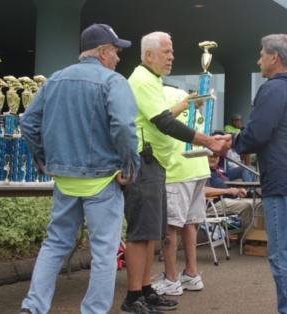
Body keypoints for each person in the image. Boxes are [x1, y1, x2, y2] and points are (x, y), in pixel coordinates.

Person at [19, 24, 140, 314]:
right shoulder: (114, 81)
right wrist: (129, 166)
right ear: (101, 52)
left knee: (55, 244)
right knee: (103, 253)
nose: (118, 58)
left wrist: (44, 159)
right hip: (103, 178)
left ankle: (33, 308)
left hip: (65, 180)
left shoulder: (54, 80)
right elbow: (123, 126)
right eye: (115, 51)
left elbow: (28, 123)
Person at [123, 31, 230, 314]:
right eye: (166, 52)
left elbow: (165, 117)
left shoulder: (152, 81)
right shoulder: (142, 81)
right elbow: (165, 123)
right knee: (140, 234)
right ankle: (133, 297)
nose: (172, 56)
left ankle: (145, 290)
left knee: (150, 233)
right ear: (148, 55)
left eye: (171, 51)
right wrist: (207, 141)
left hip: (156, 162)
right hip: (144, 163)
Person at [219, 34, 287, 314]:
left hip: (283, 182)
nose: (258, 59)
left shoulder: (274, 88)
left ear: (275, 57)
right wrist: (238, 137)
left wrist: (233, 140)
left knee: (283, 254)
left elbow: (259, 133)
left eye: (262, 54)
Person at [152, 85, 209, 297]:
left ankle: (170, 279)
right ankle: (192, 275)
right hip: (198, 165)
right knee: (189, 222)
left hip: (176, 166)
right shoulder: (185, 95)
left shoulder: (155, 95)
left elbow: (158, 124)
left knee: (170, 224)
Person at [205, 153, 261, 228]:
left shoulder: (221, 170)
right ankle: (248, 236)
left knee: (259, 205)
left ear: (218, 159)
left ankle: (259, 235)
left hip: (229, 199)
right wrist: (228, 191)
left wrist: (238, 191)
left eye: (215, 157)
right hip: (215, 202)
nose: (212, 159)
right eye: (210, 156)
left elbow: (226, 186)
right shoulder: (204, 172)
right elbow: (204, 190)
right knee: (246, 206)